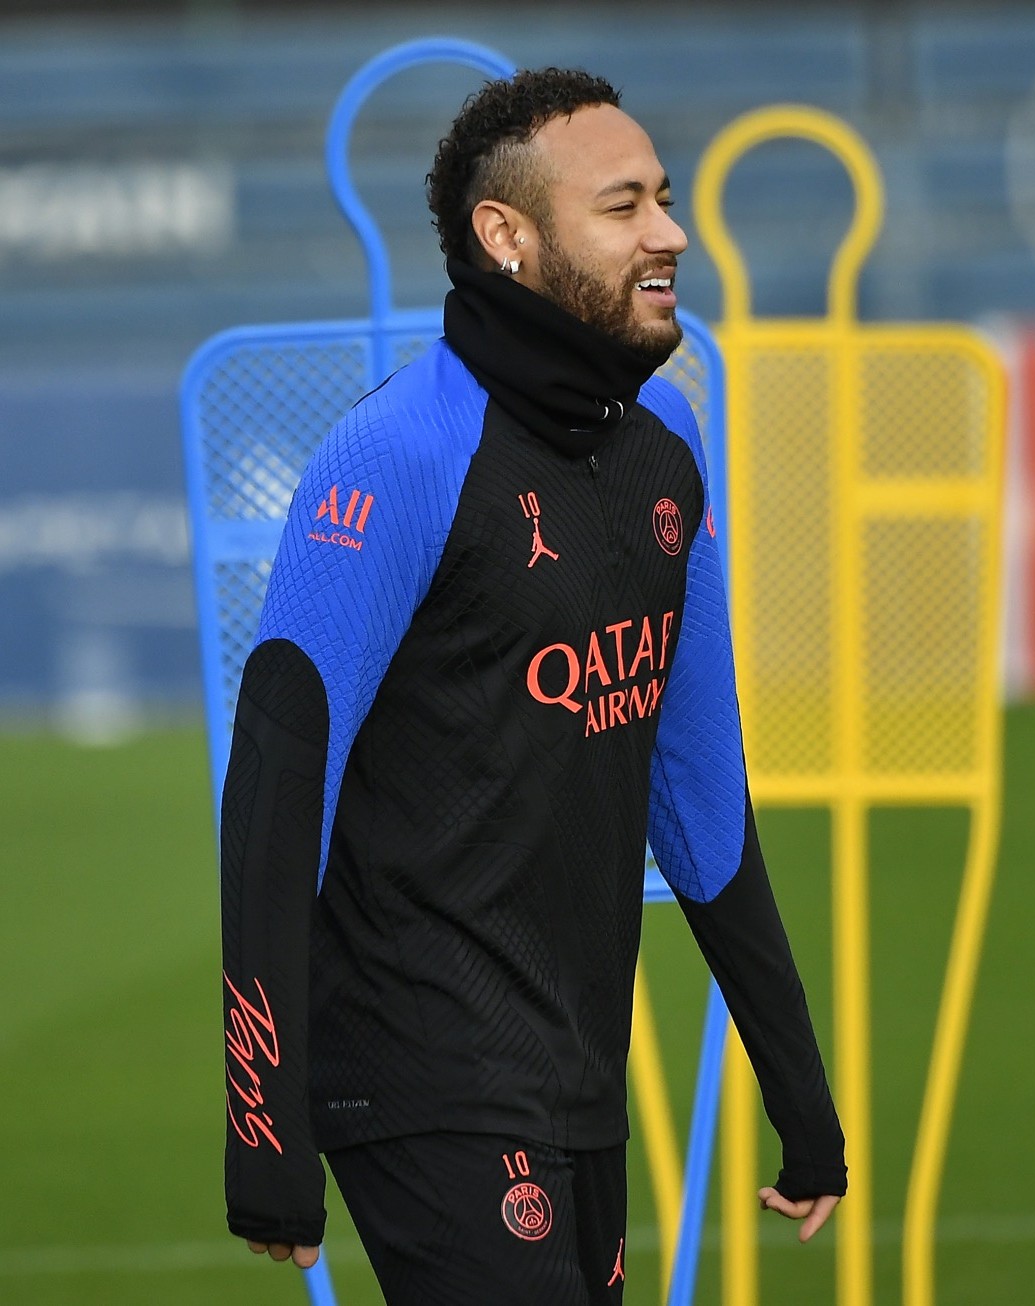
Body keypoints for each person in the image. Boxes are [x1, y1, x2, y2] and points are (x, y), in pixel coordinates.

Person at [220, 67, 846, 1304]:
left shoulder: (667, 461)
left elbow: (702, 801)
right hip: (420, 1075)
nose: (670, 232)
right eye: (624, 208)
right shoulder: (393, 455)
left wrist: (797, 1087)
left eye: (663, 200)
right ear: (505, 237)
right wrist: (261, 1122)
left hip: (575, 1073)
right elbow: (274, 795)